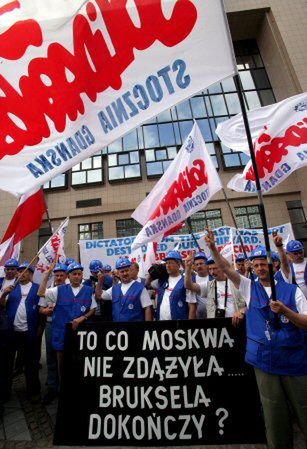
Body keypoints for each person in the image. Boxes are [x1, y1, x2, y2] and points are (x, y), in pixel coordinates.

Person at [204, 228, 307, 449]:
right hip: (265, 362)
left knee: (303, 408)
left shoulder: (292, 291)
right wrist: (212, 247)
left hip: (295, 361)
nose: (260, 268)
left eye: (264, 264)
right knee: (274, 415)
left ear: (275, 265)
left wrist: (286, 312)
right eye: (256, 264)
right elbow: (225, 267)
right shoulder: (249, 287)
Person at [45, 262, 97, 378]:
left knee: (79, 362)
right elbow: (40, 293)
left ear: (82, 275)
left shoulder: (88, 291)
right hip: (61, 332)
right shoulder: (58, 290)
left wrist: (83, 317)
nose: (77, 276)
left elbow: (93, 308)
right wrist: (48, 273)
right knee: (61, 364)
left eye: (79, 274)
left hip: (80, 333)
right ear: (68, 276)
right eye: (74, 274)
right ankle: (62, 389)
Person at [1, 262, 41, 403]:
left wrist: (39, 330)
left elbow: (41, 312)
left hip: (29, 333)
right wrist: (4, 295)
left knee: (31, 364)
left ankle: (33, 391)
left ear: (30, 274)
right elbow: (2, 307)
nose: (21, 274)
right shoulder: (12, 288)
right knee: (7, 364)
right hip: (11, 334)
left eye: (25, 271)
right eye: (20, 272)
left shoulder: (37, 289)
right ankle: (5, 392)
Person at [185, 253, 246, 326]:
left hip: (236, 325)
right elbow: (188, 286)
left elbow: (251, 303)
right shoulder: (209, 285)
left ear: (223, 268)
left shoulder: (236, 283)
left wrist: (242, 312)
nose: (212, 272)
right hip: (216, 328)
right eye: (210, 269)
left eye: (215, 268)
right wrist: (188, 268)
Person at [38, 263, 68, 405]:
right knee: (51, 357)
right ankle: (52, 388)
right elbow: (41, 309)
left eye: (62, 275)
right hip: (51, 324)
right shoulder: (49, 289)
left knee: (67, 358)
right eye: (57, 275)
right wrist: (45, 311)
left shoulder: (71, 289)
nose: (59, 277)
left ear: (66, 276)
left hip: (67, 326)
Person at [147, 250, 197, 320]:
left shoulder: (186, 281)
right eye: (166, 263)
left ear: (178, 265)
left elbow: (192, 306)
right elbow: (148, 285)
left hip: (179, 326)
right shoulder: (162, 280)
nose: (167, 265)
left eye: (170, 263)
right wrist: (152, 272)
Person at [193, 251, 209, 319]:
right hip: (199, 318)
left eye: (201, 263)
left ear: (206, 265)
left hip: (214, 315)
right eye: (197, 264)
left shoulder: (213, 277)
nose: (199, 266)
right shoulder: (192, 280)